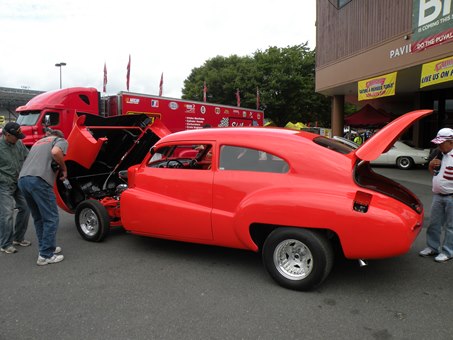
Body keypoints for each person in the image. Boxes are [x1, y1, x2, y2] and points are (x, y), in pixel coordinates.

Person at [18, 129, 68, 265]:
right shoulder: (60, 140)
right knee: (51, 218)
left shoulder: (38, 143)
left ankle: (45, 247)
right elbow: (56, 152)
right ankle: (46, 255)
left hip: (23, 180)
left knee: (39, 218)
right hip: (39, 181)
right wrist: (64, 168)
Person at [419, 128, 453, 263]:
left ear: (451, 142)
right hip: (438, 195)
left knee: (450, 226)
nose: (438, 145)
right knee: (434, 223)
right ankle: (432, 247)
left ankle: (448, 251)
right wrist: (431, 165)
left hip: (451, 196)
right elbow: (433, 172)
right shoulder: (438, 153)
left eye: (441, 143)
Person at [0, 122, 31, 254]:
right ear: (7, 134)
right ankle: (5, 244)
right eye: (16, 136)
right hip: (4, 184)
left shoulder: (19, 143)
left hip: (18, 182)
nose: (18, 138)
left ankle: (18, 238)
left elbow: (28, 157)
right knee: (7, 214)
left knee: (25, 208)